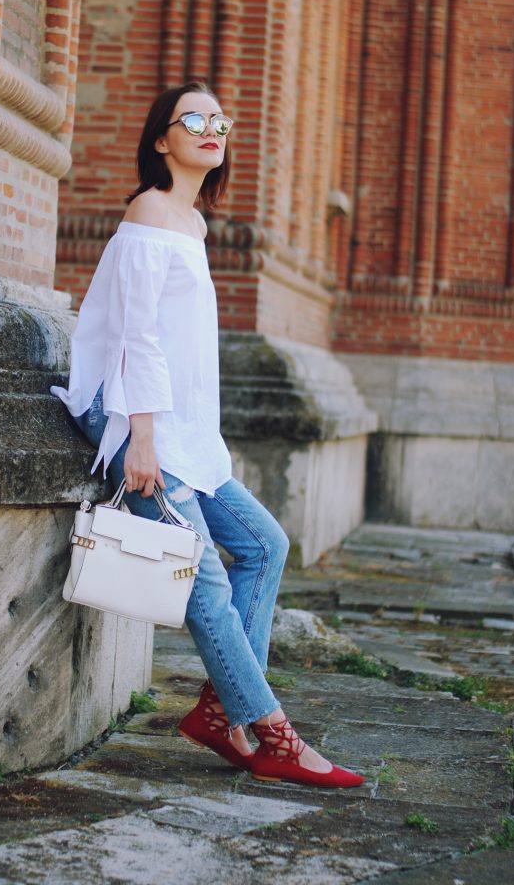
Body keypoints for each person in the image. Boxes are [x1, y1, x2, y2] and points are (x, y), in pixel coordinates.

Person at [51, 82, 363, 788]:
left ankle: (223, 712)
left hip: (182, 429)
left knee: (266, 544)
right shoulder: (151, 211)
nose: (211, 127)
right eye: (194, 117)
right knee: (208, 577)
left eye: (220, 120)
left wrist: (188, 439)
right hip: (136, 419)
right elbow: (135, 338)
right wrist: (142, 439)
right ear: (162, 138)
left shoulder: (190, 223)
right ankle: (275, 733)